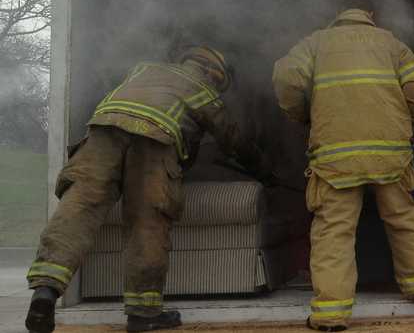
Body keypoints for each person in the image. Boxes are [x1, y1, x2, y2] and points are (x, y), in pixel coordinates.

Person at [25, 46, 267, 333]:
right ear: (214, 74)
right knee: (147, 222)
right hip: (154, 143)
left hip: (102, 132)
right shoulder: (202, 89)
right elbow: (232, 138)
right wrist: (261, 168)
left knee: (78, 208)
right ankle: (143, 313)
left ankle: (46, 290)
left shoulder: (142, 69)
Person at [273, 5, 414, 332]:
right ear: (369, 19)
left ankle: (331, 314)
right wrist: (408, 123)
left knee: (334, 230)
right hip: (389, 152)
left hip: (337, 156)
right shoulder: (391, 43)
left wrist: (302, 114)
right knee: (403, 216)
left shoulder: (316, 43)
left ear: (336, 20)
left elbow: (286, 78)